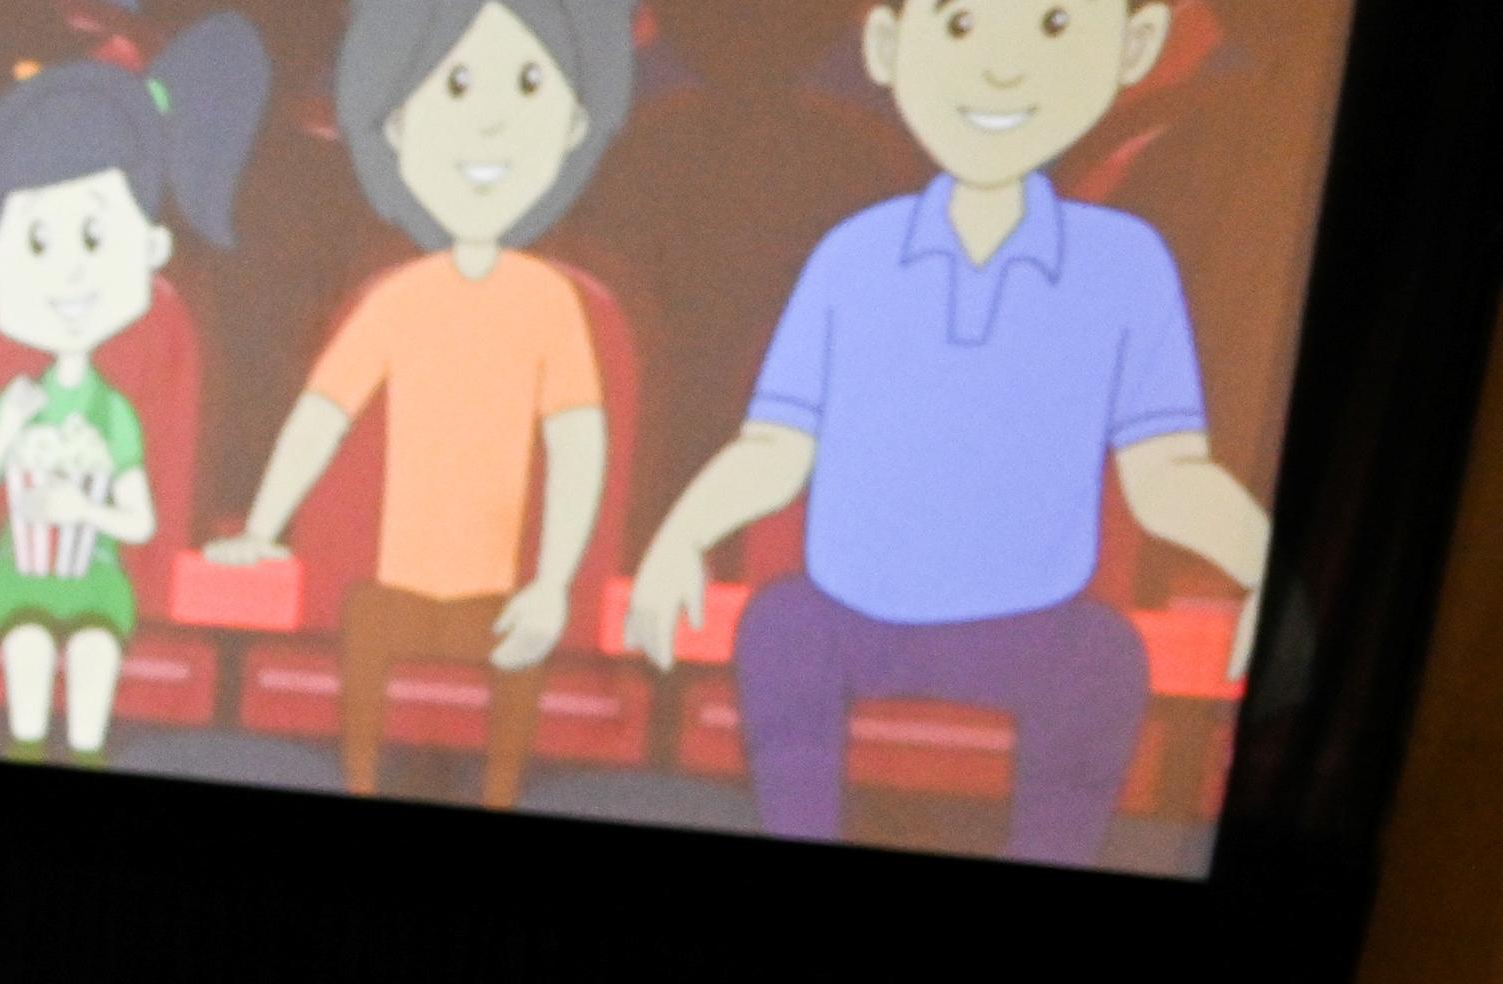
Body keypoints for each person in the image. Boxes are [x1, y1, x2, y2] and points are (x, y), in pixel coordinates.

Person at [622, 0, 1269, 867]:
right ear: (888, 46)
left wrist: (1268, 571)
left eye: (1052, 28)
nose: (1001, 69)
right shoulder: (854, 255)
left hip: (1033, 622)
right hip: (855, 611)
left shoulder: (1126, 265)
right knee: (781, 629)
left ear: (1136, 44)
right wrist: (682, 538)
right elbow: (775, 446)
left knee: (1105, 660)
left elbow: (1169, 473)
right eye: (962, 27)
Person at [204, 0, 636, 809]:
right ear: (396, 125)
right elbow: (322, 416)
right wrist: (262, 530)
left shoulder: (554, 305)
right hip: (393, 593)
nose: (489, 126)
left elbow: (580, 446)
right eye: (457, 84)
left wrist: (552, 585)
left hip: (501, 597)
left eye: (529, 83)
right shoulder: (395, 299)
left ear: (575, 124)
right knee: (365, 650)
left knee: (511, 720)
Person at [0, 16, 271, 766]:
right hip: (10, 588)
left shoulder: (141, 370)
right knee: (25, 652)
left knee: (94, 663)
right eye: (36, 241)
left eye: (94, 238)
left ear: (153, 248)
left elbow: (144, 516)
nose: (67, 273)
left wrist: (87, 509)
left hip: (101, 592)